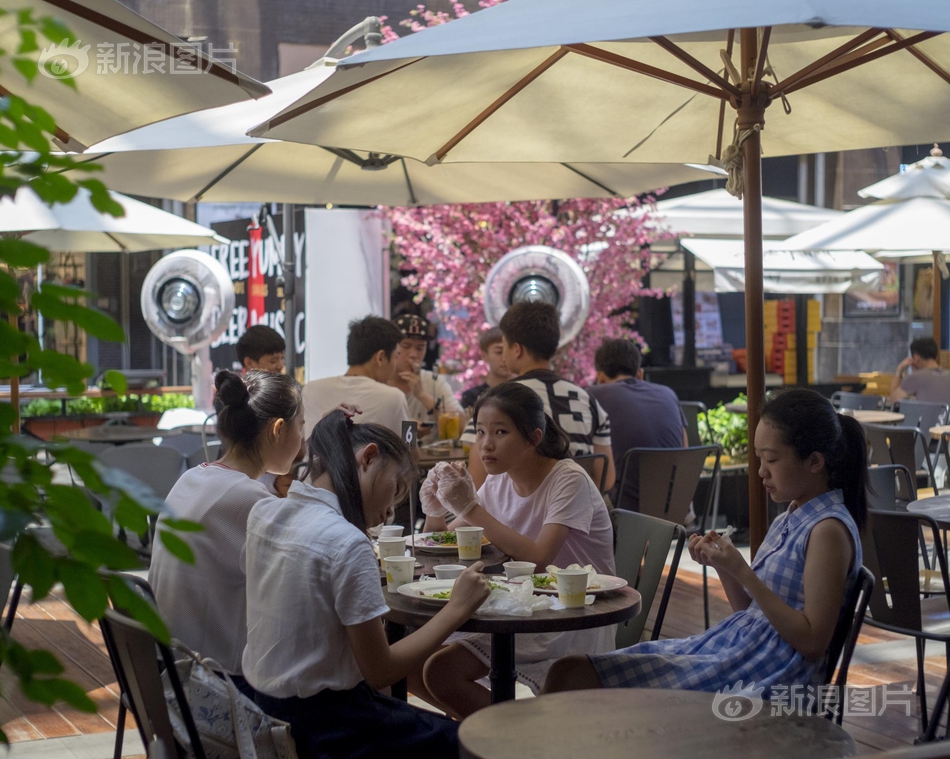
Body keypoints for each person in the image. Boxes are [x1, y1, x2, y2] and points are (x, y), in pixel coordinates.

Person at [542, 388, 866, 700]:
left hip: (767, 677)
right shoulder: (791, 517)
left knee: (576, 677)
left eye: (772, 460)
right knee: (569, 672)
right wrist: (725, 566)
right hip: (736, 653)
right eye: (758, 458)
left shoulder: (827, 531)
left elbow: (812, 642)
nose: (761, 471)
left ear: (814, 461)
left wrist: (743, 571)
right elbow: (750, 613)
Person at [242, 411, 491, 758]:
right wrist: (457, 608)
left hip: (265, 709)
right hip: (331, 728)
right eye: (395, 490)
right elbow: (381, 670)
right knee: (480, 743)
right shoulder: (346, 541)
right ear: (368, 457)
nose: (390, 511)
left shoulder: (265, 514)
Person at [417, 382, 616, 718]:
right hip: (517, 606)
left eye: (500, 432)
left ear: (534, 437)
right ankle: (504, 738)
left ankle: (523, 740)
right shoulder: (500, 479)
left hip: (571, 615)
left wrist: (470, 507)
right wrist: (435, 509)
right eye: (480, 432)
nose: (486, 444)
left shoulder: (569, 479)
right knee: (410, 661)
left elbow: (539, 559)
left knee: (441, 671)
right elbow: (445, 547)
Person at [148, 370, 304, 695]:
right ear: (278, 429)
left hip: (167, 677)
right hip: (218, 690)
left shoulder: (193, 477)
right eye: (301, 426)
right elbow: (304, 586)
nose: (303, 438)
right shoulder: (248, 498)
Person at [459, 302, 615, 491]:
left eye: (505, 345)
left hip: (518, 517)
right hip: (581, 508)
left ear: (516, 349)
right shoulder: (588, 400)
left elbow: (477, 483)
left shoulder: (497, 400)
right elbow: (606, 479)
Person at [589, 338, 688, 511]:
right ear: (640, 374)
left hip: (624, 514)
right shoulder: (668, 393)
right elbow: (684, 451)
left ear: (600, 378)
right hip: (675, 511)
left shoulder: (592, 395)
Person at [302, 316, 410, 437]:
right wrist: (412, 427)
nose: (395, 366)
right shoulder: (394, 397)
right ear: (381, 357)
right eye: (396, 356)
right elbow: (409, 447)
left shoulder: (310, 389)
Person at [388, 314, 466, 437]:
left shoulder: (434, 381)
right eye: (406, 346)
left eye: (420, 348)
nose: (413, 354)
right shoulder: (378, 382)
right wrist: (409, 434)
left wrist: (422, 395)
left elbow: (464, 429)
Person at [460, 327, 516, 410]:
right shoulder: (472, 398)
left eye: (510, 351)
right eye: (499, 352)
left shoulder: (528, 392)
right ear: (484, 356)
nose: (505, 357)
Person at [890, 336, 950, 405]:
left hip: (927, 415)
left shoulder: (916, 377)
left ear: (916, 357)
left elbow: (893, 399)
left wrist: (899, 369)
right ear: (936, 355)